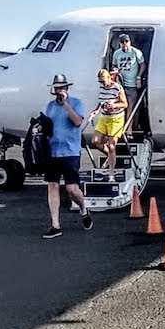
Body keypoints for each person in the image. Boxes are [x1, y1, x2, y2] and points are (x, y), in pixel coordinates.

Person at [42, 74, 93, 239]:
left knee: (72, 189)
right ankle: (55, 225)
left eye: (62, 87)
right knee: (53, 185)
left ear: (67, 89)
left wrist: (66, 105)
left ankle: (83, 208)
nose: (59, 90)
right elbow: (47, 126)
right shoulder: (49, 106)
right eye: (57, 88)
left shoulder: (76, 103)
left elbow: (78, 122)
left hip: (70, 151)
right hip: (52, 151)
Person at [92, 69, 127, 181]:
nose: (103, 84)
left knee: (112, 146)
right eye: (100, 82)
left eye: (103, 81)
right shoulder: (102, 88)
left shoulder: (116, 87)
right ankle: (110, 155)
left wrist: (114, 105)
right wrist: (96, 110)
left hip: (116, 119)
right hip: (104, 118)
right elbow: (101, 101)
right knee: (95, 141)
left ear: (109, 78)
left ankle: (111, 173)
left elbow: (125, 104)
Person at [110, 33, 145, 128]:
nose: (124, 44)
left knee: (130, 106)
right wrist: (114, 73)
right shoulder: (116, 53)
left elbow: (142, 65)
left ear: (130, 42)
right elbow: (114, 65)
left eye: (126, 42)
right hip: (120, 84)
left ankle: (129, 128)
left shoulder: (136, 52)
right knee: (120, 106)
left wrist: (139, 78)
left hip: (132, 84)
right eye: (122, 42)